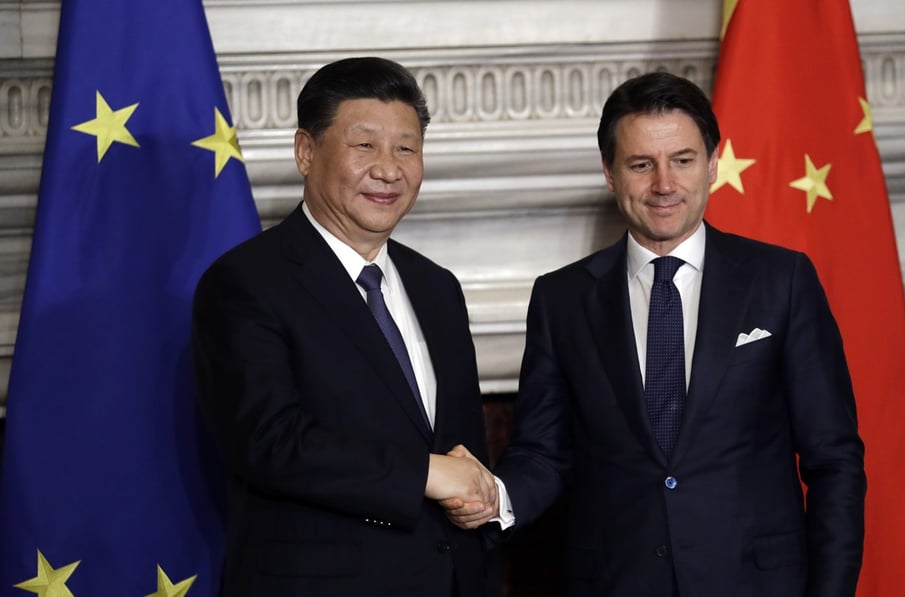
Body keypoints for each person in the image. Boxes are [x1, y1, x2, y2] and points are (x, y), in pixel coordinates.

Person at [445, 71, 867, 596]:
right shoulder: (562, 299)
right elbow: (543, 452)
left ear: (713, 164)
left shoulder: (782, 281)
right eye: (641, 164)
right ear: (610, 173)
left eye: (682, 161)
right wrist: (494, 497)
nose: (664, 184)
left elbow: (835, 459)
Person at [191, 56, 500, 597]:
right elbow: (268, 441)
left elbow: (463, 452)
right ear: (305, 152)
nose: (389, 168)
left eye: (406, 148)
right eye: (364, 146)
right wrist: (422, 474)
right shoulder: (244, 282)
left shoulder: (437, 288)